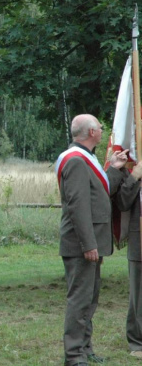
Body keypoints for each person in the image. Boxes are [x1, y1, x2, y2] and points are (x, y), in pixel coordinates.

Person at [56, 114, 128, 366]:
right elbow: (78, 206)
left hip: (89, 243)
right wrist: (89, 244)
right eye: (99, 127)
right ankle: (74, 355)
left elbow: (100, 191)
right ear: (91, 133)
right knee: (80, 300)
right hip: (81, 244)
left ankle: (84, 349)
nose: (101, 130)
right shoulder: (75, 160)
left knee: (90, 299)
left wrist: (114, 168)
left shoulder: (87, 158)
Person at [115, 160, 142, 359]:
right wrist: (135, 176)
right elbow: (122, 202)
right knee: (138, 296)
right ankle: (137, 342)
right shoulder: (135, 172)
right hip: (139, 240)